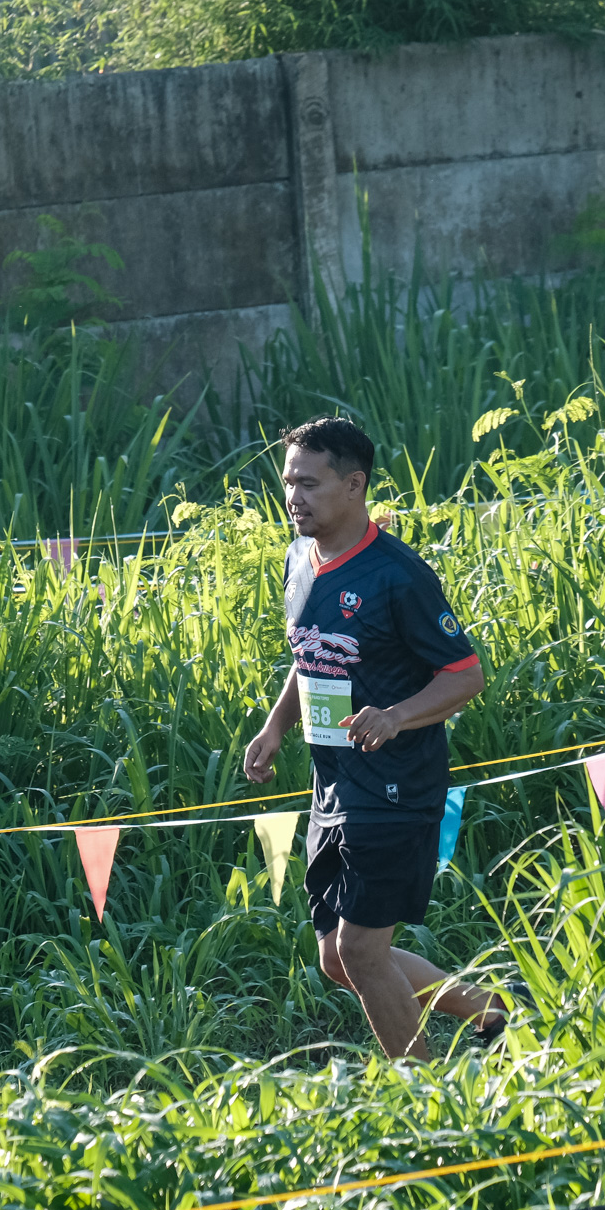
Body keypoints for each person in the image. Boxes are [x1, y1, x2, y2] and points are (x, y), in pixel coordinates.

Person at [243, 417, 505, 1059]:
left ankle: (424, 1092)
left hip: (395, 786)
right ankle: (491, 1007)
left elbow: (465, 675)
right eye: (288, 482)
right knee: (337, 957)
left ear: (354, 485)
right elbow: (313, 652)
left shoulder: (398, 576)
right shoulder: (299, 558)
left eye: (309, 484)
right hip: (331, 785)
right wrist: (277, 726)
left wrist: (394, 716)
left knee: (361, 950)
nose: (293, 497)